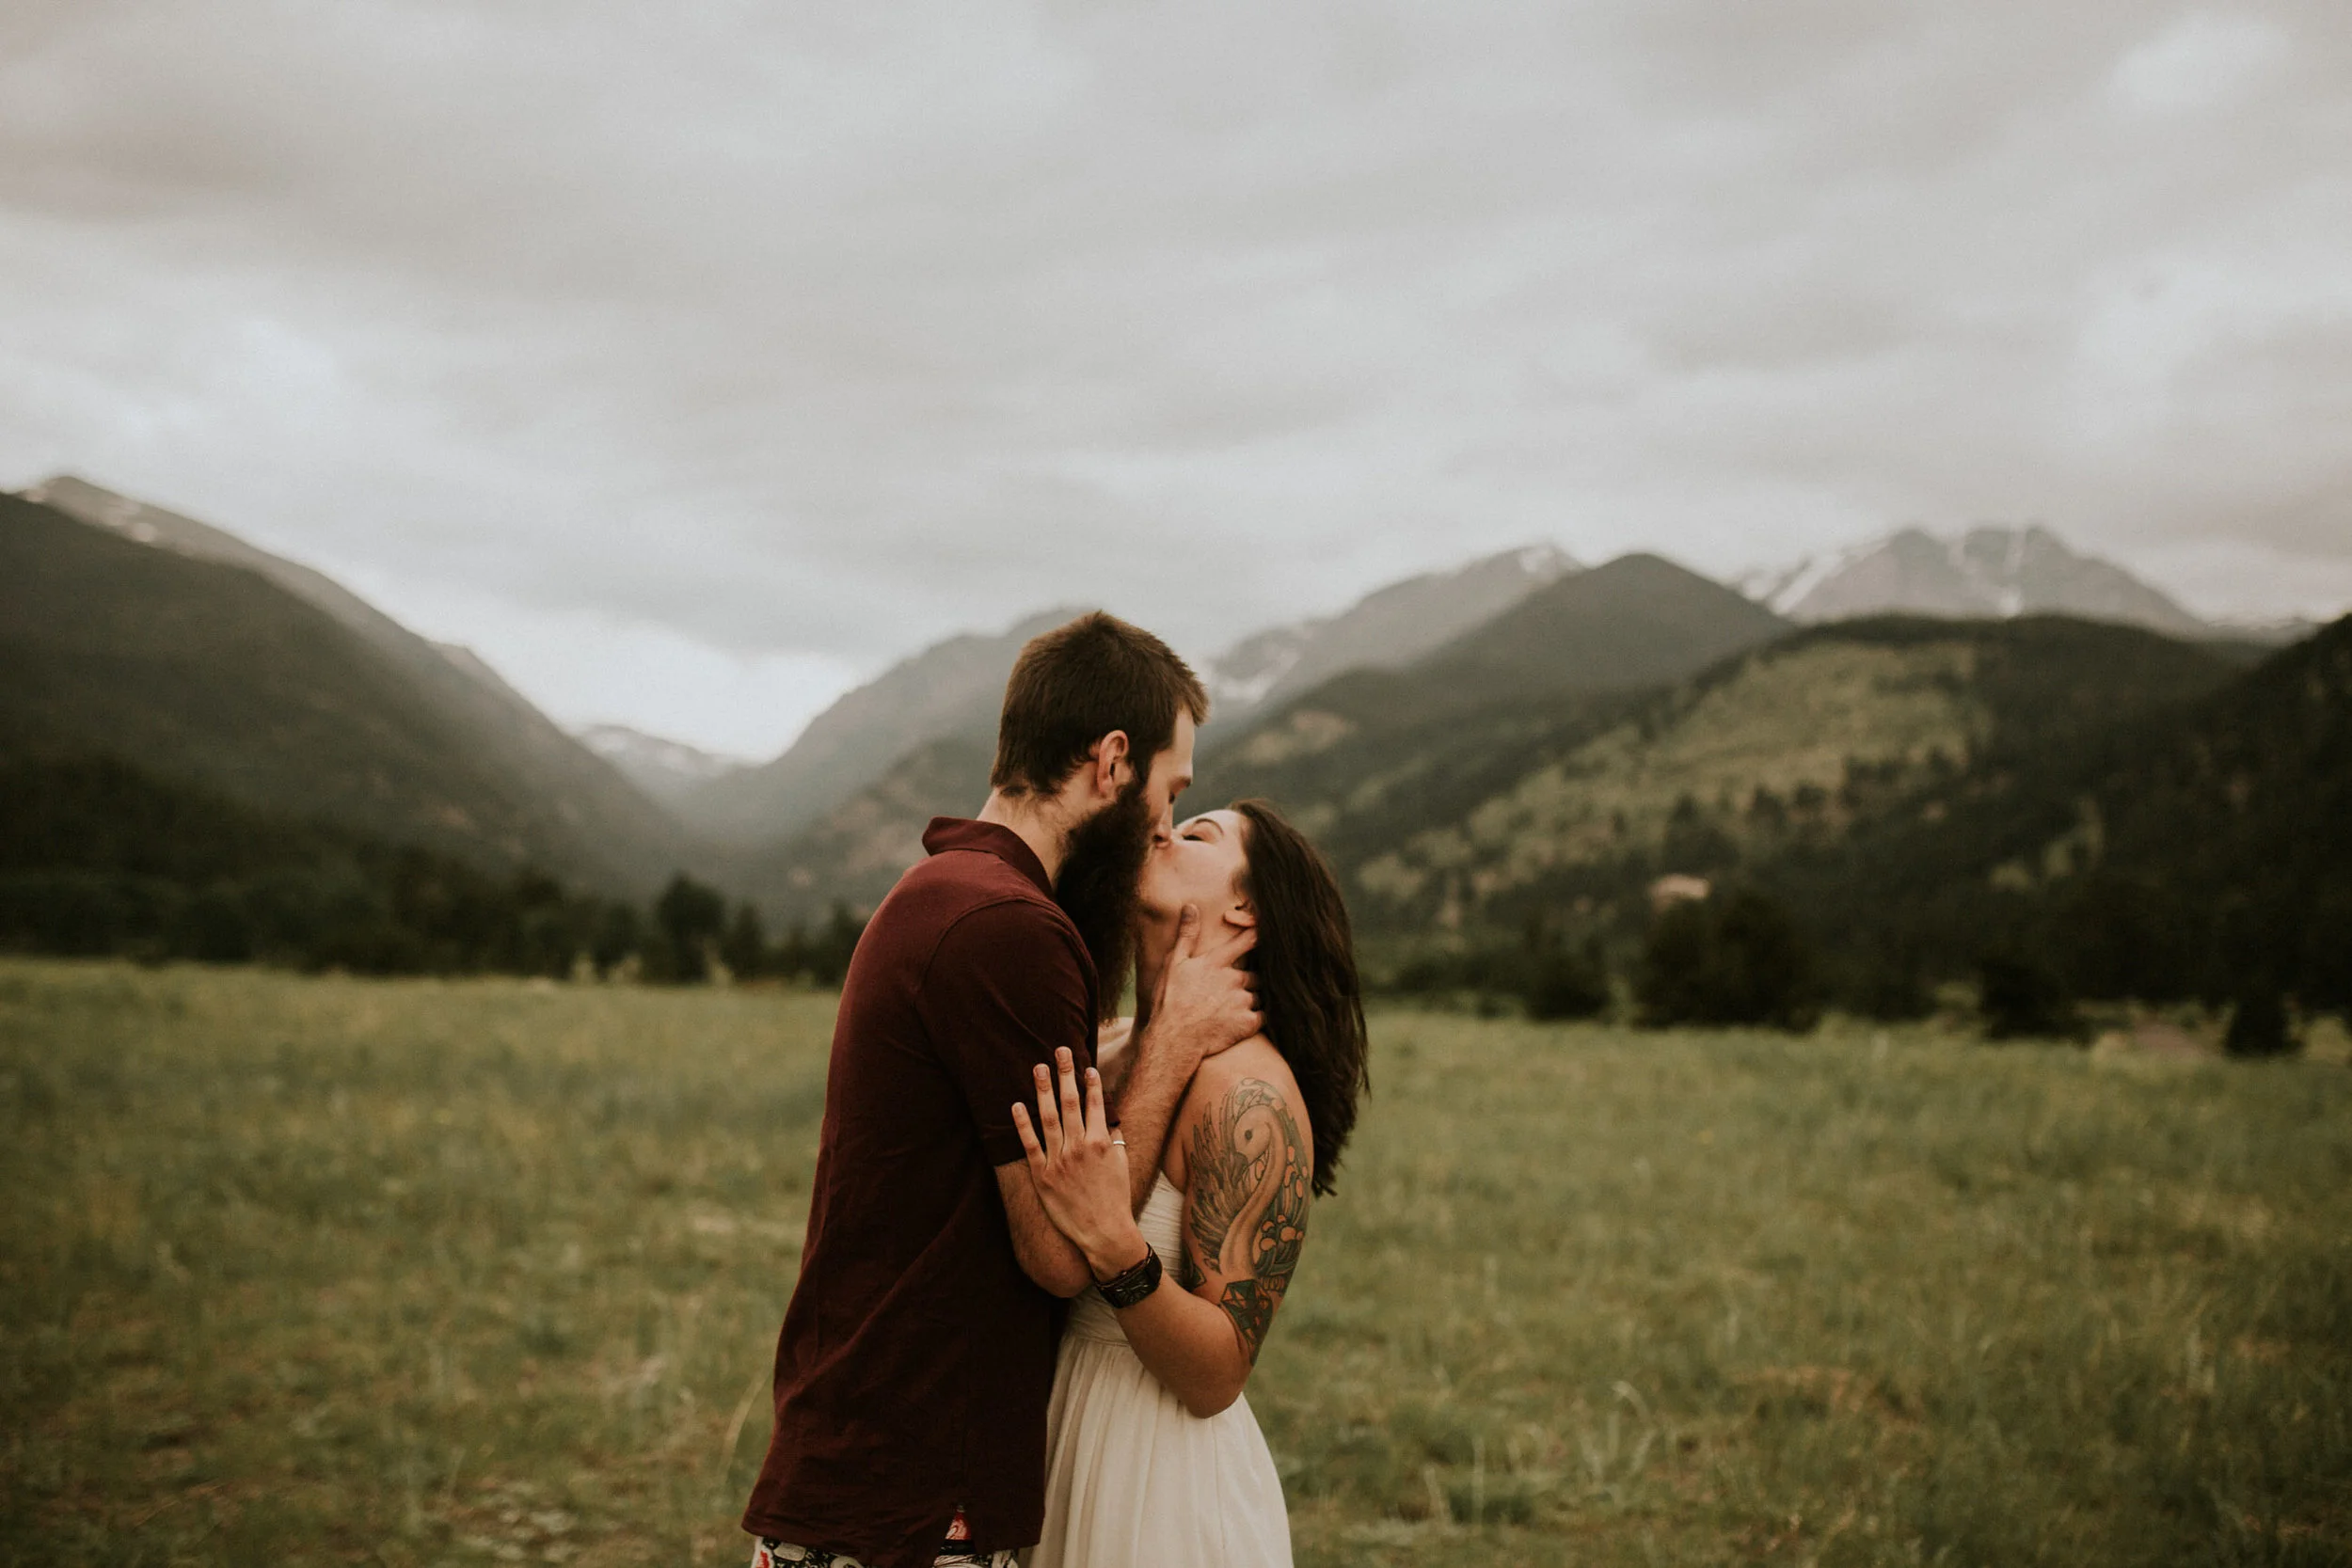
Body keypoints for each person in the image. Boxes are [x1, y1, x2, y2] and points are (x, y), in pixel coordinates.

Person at [739, 613, 1263, 1568]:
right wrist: (1176, 1038)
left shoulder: (952, 892)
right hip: (912, 1493)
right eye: (1169, 789)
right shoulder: (1009, 928)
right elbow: (1061, 1253)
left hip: (870, 1466)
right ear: (1111, 760)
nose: (1161, 824)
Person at [1014, 800, 1370, 1568]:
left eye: (1198, 832)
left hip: (1160, 1481)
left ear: (1247, 909)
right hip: (1059, 1436)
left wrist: (1115, 1246)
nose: (1163, 830)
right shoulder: (1105, 1047)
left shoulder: (1250, 1097)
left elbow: (1218, 1372)